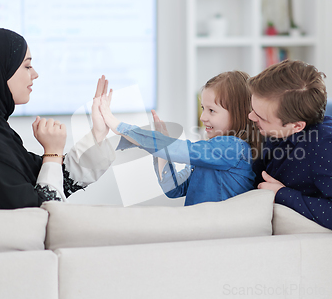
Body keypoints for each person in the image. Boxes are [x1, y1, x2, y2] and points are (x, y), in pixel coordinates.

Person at [0, 28, 115, 209]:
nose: (35, 74)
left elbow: (50, 178)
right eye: (27, 66)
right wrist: (52, 151)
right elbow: (42, 218)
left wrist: (97, 133)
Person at [248, 59, 332, 239]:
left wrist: (281, 194)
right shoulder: (279, 130)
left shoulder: (324, 147)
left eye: (261, 117)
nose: (250, 116)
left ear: (297, 126)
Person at [98, 72, 259, 206]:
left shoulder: (234, 148)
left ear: (238, 112)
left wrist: (117, 125)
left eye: (212, 110)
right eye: (203, 108)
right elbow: (173, 189)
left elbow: (180, 150)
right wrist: (162, 147)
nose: (203, 117)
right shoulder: (210, 154)